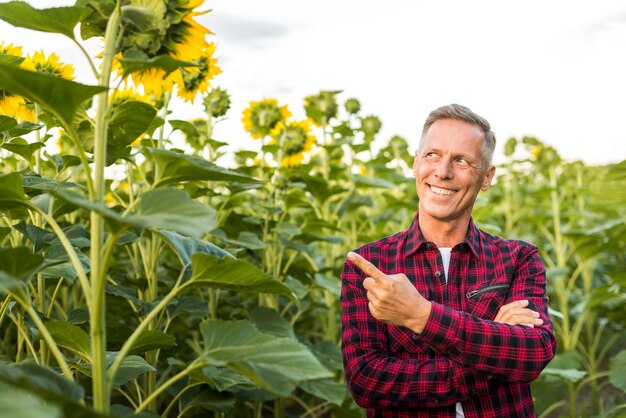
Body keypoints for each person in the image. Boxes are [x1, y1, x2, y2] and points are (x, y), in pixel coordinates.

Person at [340, 104, 556, 417]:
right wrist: (493, 351)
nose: (443, 171)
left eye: (462, 160)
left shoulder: (518, 258)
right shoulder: (372, 264)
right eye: (432, 155)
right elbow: (368, 381)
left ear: (487, 177)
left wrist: (420, 315)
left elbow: (533, 353)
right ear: (416, 163)